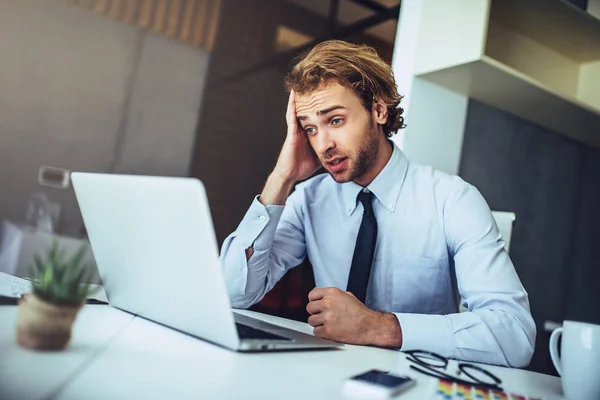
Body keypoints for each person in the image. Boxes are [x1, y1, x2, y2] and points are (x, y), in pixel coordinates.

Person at [220, 40, 536, 367]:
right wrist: (282, 178)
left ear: (379, 110)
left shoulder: (452, 200)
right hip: (327, 377)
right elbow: (232, 294)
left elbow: (515, 335)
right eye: (310, 129)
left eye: (336, 120)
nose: (323, 144)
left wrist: (379, 326)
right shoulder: (308, 200)